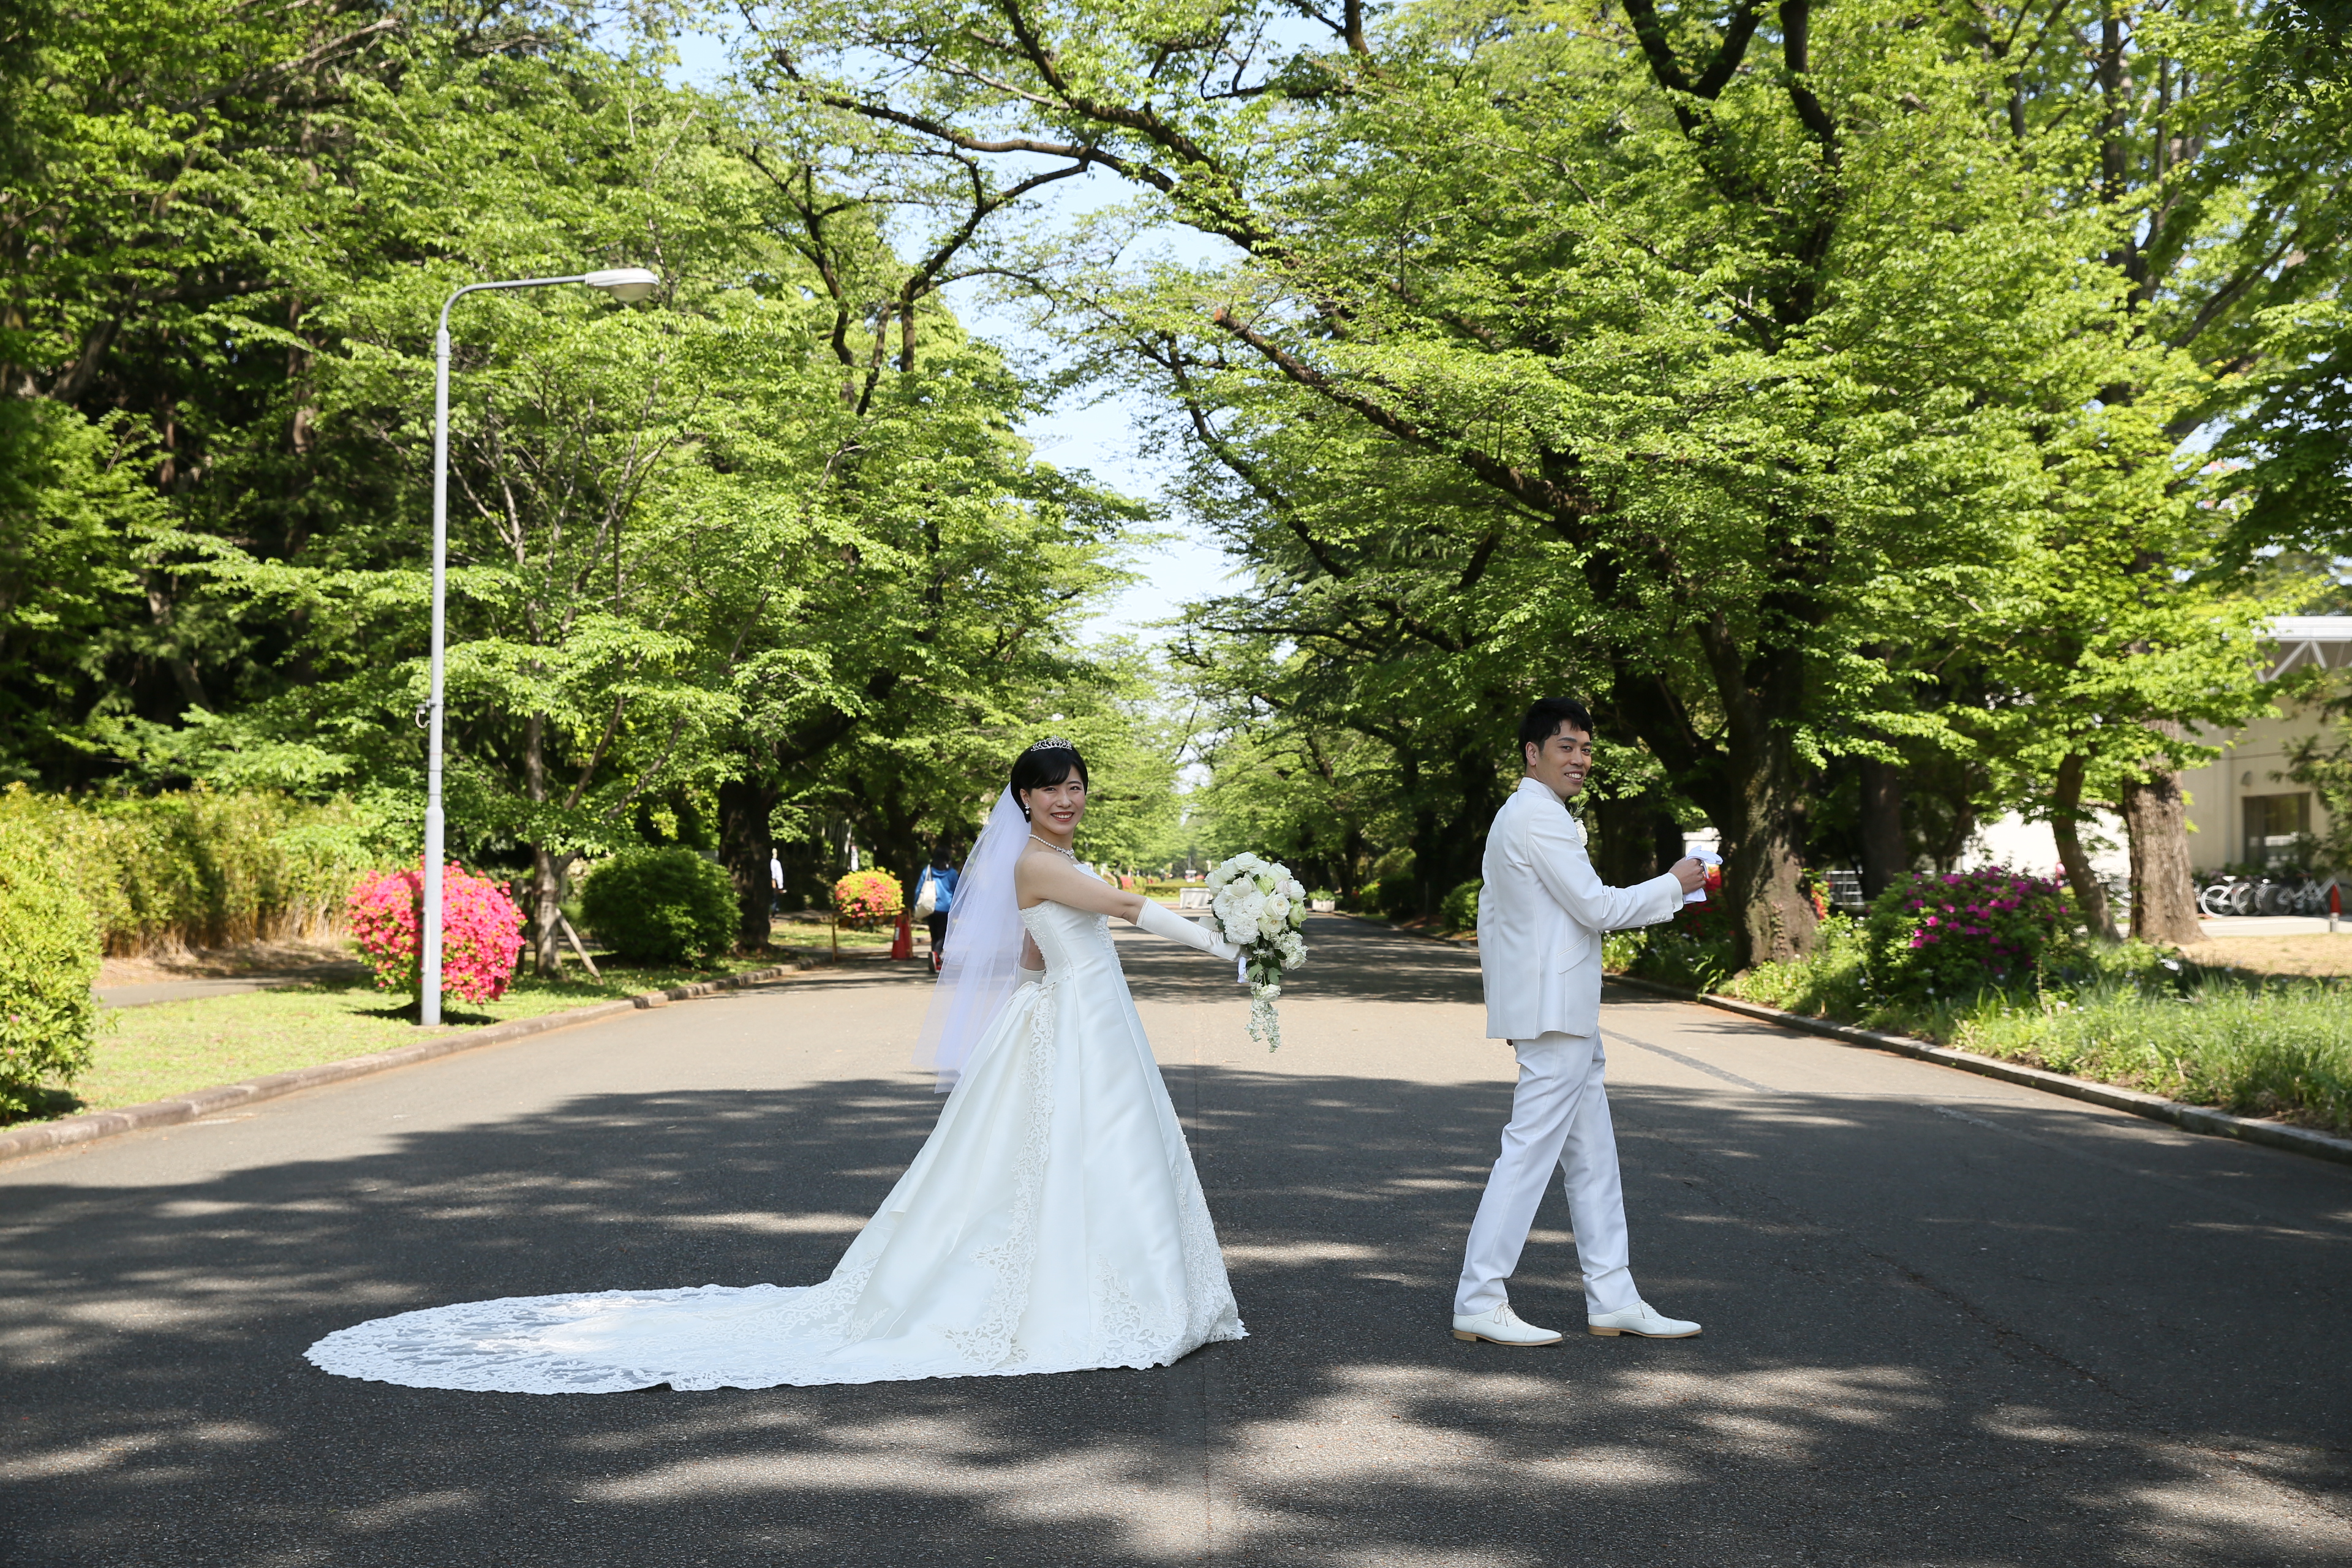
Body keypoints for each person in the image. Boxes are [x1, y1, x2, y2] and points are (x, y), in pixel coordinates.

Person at [304, 739, 1248, 1392]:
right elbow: (1133, 915)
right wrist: (1236, 944)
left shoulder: (1050, 868)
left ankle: (1127, 1289)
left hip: (1079, 1019)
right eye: (1052, 787)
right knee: (1063, 1163)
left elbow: (1042, 955)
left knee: (1089, 1161)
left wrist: (1066, 972)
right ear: (1023, 801)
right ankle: (1105, 1299)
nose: (1069, 797)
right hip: (1075, 1028)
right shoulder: (1041, 864)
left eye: (1078, 783)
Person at [1451, 697, 1709, 1348]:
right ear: (1532, 754)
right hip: (1554, 1011)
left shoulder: (1533, 815)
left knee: (1594, 1158)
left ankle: (1614, 1297)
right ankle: (1480, 1296)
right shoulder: (1537, 817)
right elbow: (1595, 908)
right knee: (1528, 1153)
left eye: (1587, 749)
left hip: (1559, 1007)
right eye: (1567, 747)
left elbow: (1505, 919)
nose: (1581, 760)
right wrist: (1675, 884)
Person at [914, 848, 957, 973]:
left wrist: (916, 904)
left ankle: (936, 961)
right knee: (944, 935)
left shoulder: (928, 871)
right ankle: (936, 954)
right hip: (946, 908)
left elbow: (919, 889)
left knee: (934, 935)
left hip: (930, 906)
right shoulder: (952, 873)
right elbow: (957, 891)